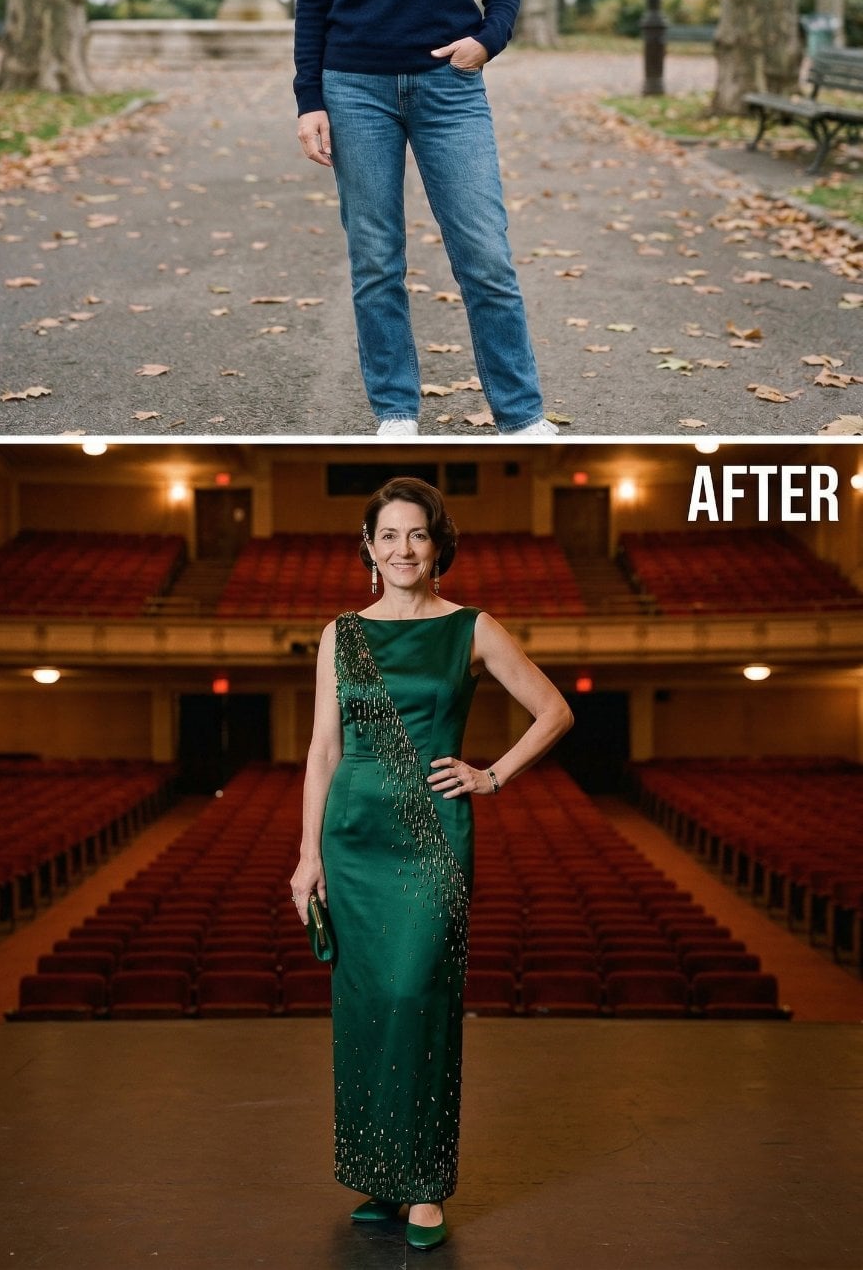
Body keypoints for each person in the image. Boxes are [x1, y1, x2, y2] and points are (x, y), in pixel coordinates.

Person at [289, 477, 574, 1252]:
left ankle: (424, 1186)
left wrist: (492, 775)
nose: (402, 550)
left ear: (437, 546)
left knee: (418, 996)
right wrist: (308, 853)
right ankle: (380, 1174)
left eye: (417, 535)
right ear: (368, 548)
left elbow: (555, 710)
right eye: (388, 536)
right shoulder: (340, 633)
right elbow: (322, 749)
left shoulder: (472, 628)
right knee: (368, 1006)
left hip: (431, 841)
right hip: (352, 841)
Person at [293, 0, 558, 441]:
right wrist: (308, 99)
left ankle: (521, 415)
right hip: (355, 87)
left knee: (485, 254)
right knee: (376, 258)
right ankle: (396, 410)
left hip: (449, 90)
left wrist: (486, 41)